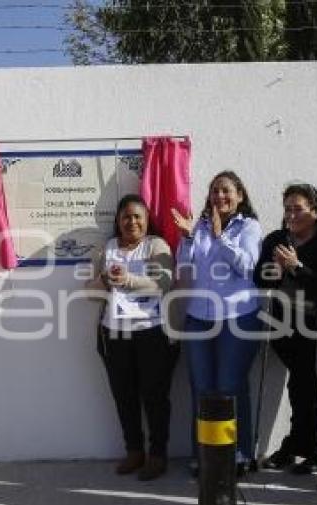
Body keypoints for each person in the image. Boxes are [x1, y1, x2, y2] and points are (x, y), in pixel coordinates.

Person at [254, 184, 317, 474]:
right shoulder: (276, 239)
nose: (291, 215)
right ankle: (295, 445)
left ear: (315, 211)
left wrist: (295, 266)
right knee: (299, 388)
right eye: (287, 209)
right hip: (286, 326)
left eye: (298, 209)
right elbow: (260, 279)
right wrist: (275, 269)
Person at [171, 170, 262, 476]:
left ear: (240, 195)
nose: (219, 197)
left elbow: (247, 266)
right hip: (199, 317)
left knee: (229, 388)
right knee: (202, 388)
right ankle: (206, 455)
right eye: (214, 191)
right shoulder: (200, 226)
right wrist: (186, 237)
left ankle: (237, 453)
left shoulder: (248, 227)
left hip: (238, 318)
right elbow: (184, 267)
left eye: (226, 191)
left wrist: (222, 237)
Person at [86, 194, 178, 481]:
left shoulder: (155, 245)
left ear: (147, 220)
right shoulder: (108, 248)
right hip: (114, 335)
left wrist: (126, 280)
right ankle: (134, 451)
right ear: (118, 221)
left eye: (138, 216)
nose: (132, 221)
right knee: (124, 396)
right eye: (126, 216)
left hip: (152, 333)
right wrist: (105, 280)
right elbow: (89, 292)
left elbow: (162, 283)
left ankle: (157, 454)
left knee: (155, 397)